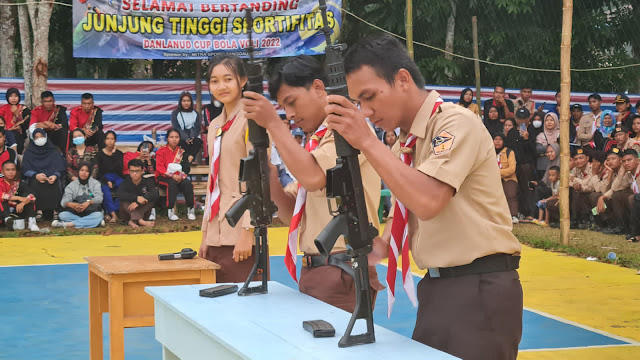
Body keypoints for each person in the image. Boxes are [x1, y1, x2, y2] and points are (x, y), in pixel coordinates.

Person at [324, 34, 522, 360]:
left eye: (370, 96)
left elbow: (428, 200)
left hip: (477, 286)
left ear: (402, 79)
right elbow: (399, 223)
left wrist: (367, 141)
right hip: (439, 288)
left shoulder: (455, 122)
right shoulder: (406, 145)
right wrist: (371, 247)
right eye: (359, 102)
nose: (367, 111)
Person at [242, 54, 384, 312]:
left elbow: (314, 178)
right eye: (283, 107)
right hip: (318, 269)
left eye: (292, 102)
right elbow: (291, 212)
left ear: (318, 88)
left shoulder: (346, 129)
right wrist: (269, 175)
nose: (290, 114)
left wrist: (274, 124)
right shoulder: (317, 141)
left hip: (341, 270)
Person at [198, 54, 260, 283]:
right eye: (214, 81)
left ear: (242, 80)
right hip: (215, 232)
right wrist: (205, 234)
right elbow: (212, 182)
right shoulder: (214, 125)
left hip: (240, 231)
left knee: (244, 310)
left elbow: (259, 177)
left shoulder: (252, 119)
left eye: (228, 79)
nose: (221, 86)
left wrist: (248, 231)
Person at [21, 129, 66, 220]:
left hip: (51, 176)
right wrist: (35, 175)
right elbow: (25, 169)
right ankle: (38, 210)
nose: (39, 139)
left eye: (41, 136)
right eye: (36, 137)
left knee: (55, 182)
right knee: (35, 183)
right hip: (35, 177)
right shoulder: (29, 152)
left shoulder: (53, 150)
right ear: (33, 139)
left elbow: (60, 167)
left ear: (46, 137)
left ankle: (55, 210)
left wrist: (55, 175)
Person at [155, 129, 195, 221]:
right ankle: (171, 210)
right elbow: (159, 168)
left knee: (188, 184)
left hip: (179, 177)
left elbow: (186, 168)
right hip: (163, 177)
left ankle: (190, 209)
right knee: (171, 184)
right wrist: (172, 176)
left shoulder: (182, 152)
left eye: (176, 137)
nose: (174, 139)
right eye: (171, 137)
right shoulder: (161, 151)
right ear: (167, 139)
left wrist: (180, 177)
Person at [54, 163, 104, 228]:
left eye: (87, 171)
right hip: (76, 211)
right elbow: (63, 202)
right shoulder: (71, 185)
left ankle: (68, 224)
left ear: (90, 173)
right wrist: (70, 204)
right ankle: (95, 223)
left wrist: (88, 202)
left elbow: (99, 198)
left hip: (91, 210)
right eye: (82, 170)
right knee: (62, 215)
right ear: (78, 172)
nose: (84, 173)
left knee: (99, 215)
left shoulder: (95, 183)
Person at [593, 147, 629, 235]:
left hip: (626, 198)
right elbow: (602, 190)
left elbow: (615, 188)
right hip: (617, 197)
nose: (610, 162)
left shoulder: (625, 170)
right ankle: (608, 223)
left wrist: (603, 197)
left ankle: (621, 226)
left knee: (616, 195)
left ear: (621, 160)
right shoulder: (611, 171)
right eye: (608, 160)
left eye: (613, 159)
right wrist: (610, 173)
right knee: (595, 195)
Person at [117, 159, 159, 228]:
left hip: (142, 210)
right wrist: (136, 198)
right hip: (128, 211)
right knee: (124, 201)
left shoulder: (147, 182)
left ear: (142, 171)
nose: (134, 174)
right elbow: (120, 194)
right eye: (132, 171)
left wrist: (139, 201)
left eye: (137, 171)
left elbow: (155, 193)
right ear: (129, 171)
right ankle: (140, 221)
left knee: (150, 200)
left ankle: (132, 221)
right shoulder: (125, 182)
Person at [0, 161, 39, 231]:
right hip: (2, 211)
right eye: (8, 170)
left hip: (17, 210)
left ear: (17, 171)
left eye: (13, 170)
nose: (11, 172)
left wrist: (23, 202)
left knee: (27, 196)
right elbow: (2, 196)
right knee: (3, 201)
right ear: (2, 172)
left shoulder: (20, 183)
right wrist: (19, 198)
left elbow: (32, 196)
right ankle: (7, 219)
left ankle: (32, 222)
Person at [97, 130, 124, 224]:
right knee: (106, 190)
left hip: (117, 177)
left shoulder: (119, 154)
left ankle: (113, 211)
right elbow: (99, 171)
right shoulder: (99, 154)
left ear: (115, 141)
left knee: (122, 188)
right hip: (104, 177)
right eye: (107, 138)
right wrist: (107, 180)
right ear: (104, 141)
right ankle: (113, 214)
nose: (109, 141)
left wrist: (113, 154)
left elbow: (118, 169)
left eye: (112, 139)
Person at [171, 91, 203, 164]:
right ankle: (187, 160)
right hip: (181, 136)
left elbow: (197, 127)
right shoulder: (176, 113)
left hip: (192, 136)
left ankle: (189, 159)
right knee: (181, 142)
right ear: (180, 102)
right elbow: (176, 127)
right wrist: (185, 138)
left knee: (197, 142)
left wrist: (191, 137)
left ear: (191, 102)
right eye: (184, 101)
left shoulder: (195, 113)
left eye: (188, 101)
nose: (186, 103)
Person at [494, 133, 519, 223]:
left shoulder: (509, 152)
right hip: (493, 179)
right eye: (495, 139)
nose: (497, 141)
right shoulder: (489, 152)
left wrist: (497, 173)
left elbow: (512, 169)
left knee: (511, 194)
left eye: (500, 139)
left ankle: (513, 215)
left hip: (508, 178)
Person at [0, 88, 30, 154]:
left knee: (17, 135)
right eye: (11, 96)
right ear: (7, 98)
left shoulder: (24, 109)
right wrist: (9, 129)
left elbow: (27, 123)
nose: (13, 98)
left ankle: (16, 155)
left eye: (15, 96)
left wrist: (17, 114)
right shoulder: (3, 109)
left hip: (19, 134)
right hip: (5, 132)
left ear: (19, 97)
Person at [569, 148, 593, 229]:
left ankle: (583, 219)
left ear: (587, 158)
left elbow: (588, 183)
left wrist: (575, 181)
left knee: (578, 192)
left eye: (581, 158)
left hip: (590, 192)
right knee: (572, 190)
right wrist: (575, 185)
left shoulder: (592, 167)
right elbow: (568, 181)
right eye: (575, 159)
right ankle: (574, 219)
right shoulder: (575, 169)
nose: (578, 161)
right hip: (581, 192)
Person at [622, 149, 640, 242]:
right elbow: (616, 188)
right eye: (624, 161)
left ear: (637, 160)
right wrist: (603, 197)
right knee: (618, 196)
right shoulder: (629, 174)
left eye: (629, 160)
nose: (626, 163)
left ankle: (636, 233)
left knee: (635, 198)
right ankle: (622, 227)